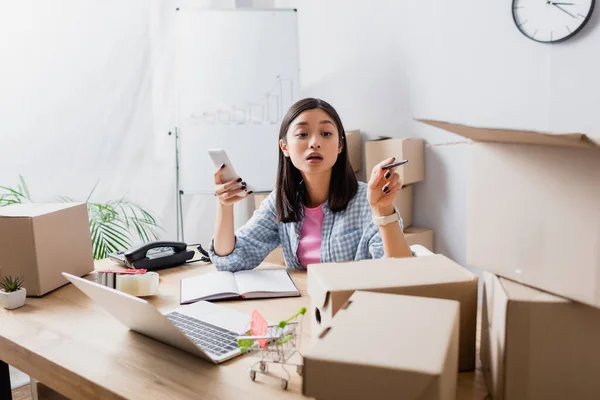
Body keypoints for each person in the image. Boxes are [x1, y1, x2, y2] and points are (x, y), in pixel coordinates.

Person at [209, 98, 413, 272]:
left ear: (340, 145)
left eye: (326, 134)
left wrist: (383, 209)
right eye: (302, 134)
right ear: (285, 147)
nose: (314, 142)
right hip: (305, 306)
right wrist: (224, 206)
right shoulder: (281, 201)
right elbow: (230, 260)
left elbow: (400, 274)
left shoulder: (365, 200)